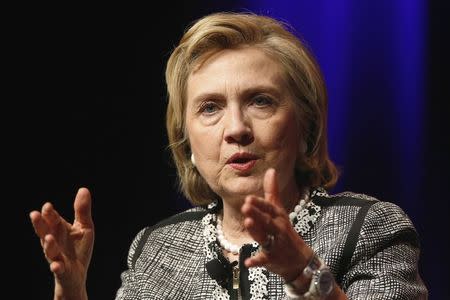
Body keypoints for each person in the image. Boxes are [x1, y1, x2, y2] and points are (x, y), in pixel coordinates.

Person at [29, 11, 428, 299]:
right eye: (210, 108)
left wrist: (303, 273)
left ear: (306, 124)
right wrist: (73, 290)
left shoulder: (368, 229)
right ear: (186, 139)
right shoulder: (159, 247)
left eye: (260, 101)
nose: (236, 128)